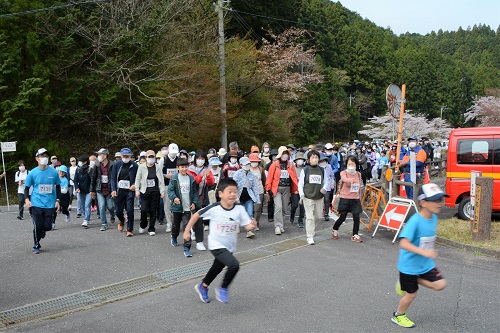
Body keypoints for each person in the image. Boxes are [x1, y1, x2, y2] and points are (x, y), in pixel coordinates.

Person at [186, 178, 257, 303]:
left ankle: (203, 287)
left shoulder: (239, 209)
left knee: (217, 268)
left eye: (235, 191)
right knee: (234, 265)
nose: (233, 194)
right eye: (229, 191)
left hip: (229, 247)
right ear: (220, 194)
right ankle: (223, 289)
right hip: (216, 245)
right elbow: (197, 214)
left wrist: (252, 225)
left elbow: (247, 226)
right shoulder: (214, 208)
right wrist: (187, 231)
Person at [391, 183, 448, 328]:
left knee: (441, 284)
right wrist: (425, 252)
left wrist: (427, 252)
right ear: (423, 202)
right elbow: (403, 243)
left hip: (425, 264)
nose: (440, 203)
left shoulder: (434, 218)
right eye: (435, 200)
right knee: (411, 295)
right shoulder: (415, 221)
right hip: (409, 266)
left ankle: (412, 281)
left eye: (441, 199)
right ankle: (398, 316)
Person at [24, 148, 61, 254]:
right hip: (36, 203)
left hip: (50, 203)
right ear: (37, 158)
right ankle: (36, 245)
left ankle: (43, 230)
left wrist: (57, 200)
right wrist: (27, 200)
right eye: (42, 156)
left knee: (48, 226)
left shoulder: (53, 172)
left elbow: (58, 186)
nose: (44, 158)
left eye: (46, 156)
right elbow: (26, 188)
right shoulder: (32, 173)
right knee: (37, 225)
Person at [168, 158, 199, 257]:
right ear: (177, 168)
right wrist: (174, 198)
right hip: (177, 207)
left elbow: (194, 192)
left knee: (187, 228)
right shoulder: (174, 178)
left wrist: (194, 202)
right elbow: (170, 191)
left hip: (187, 208)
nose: (184, 169)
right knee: (175, 226)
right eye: (182, 167)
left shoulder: (191, 178)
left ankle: (186, 248)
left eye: (186, 167)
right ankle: (174, 237)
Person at [265, 146, 298, 235]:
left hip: (287, 189)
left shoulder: (291, 165)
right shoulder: (274, 165)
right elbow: (269, 178)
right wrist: (268, 190)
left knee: (284, 208)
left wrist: (295, 189)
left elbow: (294, 178)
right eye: (283, 153)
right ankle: (278, 226)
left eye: (286, 154)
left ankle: (281, 224)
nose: (285, 155)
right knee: (278, 207)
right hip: (277, 189)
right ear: (280, 155)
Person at [298, 151, 329, 245]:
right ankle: (310, 236)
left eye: (316, 157)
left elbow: (326, 181)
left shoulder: (322, 170)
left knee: (319, 216)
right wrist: (301, 194)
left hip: (319, 197)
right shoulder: (305, 170)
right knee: (310, 217)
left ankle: (311, 229)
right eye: (312, 157)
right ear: (308, 159)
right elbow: (301, 184)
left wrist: (324, 188)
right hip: (308, 196)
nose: (315, 159)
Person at [331, 155, 364, 243]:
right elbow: (344, 179)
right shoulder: (343, 173)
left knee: (356, 217)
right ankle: (335, 228)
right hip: (345, 198)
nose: (351, 166)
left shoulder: (358, 174)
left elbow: (359, 186)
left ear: (356, 165)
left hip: (355, 198)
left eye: (353, 164)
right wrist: (350, 180)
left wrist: (360, 197)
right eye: (349, 164)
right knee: (342, 217)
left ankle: (355, 234)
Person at [188, 150, 215, 250]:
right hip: (189, 197)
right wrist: (200, 175)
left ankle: (199, 242)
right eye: (199, 159)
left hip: (201, 197)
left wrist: (207, 176)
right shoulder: (189, 169)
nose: (200, 161)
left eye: (202, 159)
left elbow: (211, 183)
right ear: (195, 159)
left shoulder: (207, 169)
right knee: (186, 218)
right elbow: (192, 182)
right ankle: (185, 234)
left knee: (199, 219)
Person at [135, 150, 165, 236]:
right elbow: (137, 179)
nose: (151, 158)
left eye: (152, 157)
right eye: (149, 157)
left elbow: (161, 181)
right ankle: (143, 224)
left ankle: (151, 228)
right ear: (146, 157)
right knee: (144, 209)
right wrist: (137, 191)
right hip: (145, 191)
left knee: (153, 210)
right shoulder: (141, 167)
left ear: (155, 158)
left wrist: (162, 191)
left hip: (155, 191)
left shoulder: (158, 167)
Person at [110, 148, 139, 237]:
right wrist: (113, 189)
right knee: (118, 211)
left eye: (127, 156)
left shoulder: (135, 165)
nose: (125, 158)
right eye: (124, 156)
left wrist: (134, 184)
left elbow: (138, 178)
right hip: (119, 190)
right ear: (121, 156)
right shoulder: (116, 164)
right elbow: (113, 178)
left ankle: (130, 229)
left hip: (130, 190)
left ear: (130, 156)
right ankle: (121, 220)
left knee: (130, 210)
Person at [233, 156, 260, 238]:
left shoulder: (251, 174)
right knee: (237, 213)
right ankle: (236, 226)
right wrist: (236, 198)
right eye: (245, 164)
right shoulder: (237, 174)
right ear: (241, 165)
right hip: (239, 196)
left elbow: (255, 187)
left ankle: (249, 231)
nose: (247, 165)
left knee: (250, 213)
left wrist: (257, 198)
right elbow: (233, 186)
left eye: (248, 164)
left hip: (249, 196)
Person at [92, 148, 115, 231]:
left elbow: (114, 178)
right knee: (101, 206)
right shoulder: (97, 165)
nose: (98, 156)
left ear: (105, 155)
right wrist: (92, 190)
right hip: (100, 189)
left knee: (110, 206)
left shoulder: (112, 164)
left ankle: (112, 215)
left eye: (99, 154)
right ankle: (104, 224)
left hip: (109, 189)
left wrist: (114, 189)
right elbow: (93, 178)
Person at [161, 143, 179, 233]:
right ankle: (169, 223)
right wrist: (165, 176)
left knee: (177, 205)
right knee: (167, 206)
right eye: (172, 152)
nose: (173, 154)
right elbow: (158, 173)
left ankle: (176, 223)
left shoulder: (179, 160)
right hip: (167, 185)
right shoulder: (163, 160)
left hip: (177, 186)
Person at [74, 155, 93, 228]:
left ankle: (85, 220)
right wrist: (76, 187)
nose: (79, 162)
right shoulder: (78, 169)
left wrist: (92, 190)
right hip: (81, 190)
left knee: (87, 205)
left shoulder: (89, 169)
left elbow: (92, 180)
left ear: (85, 162)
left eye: (81, 161)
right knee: (83, 206)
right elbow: (75, 180)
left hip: (89, 191)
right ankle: (86, 217)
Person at [248, 153, 266, 230]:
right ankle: (249, 223)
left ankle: (256, 224)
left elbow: (264, 180)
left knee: (257, 209)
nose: (254, 163)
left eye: (256, 161)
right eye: (252, 161)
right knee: (249, 208)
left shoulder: (261, 169)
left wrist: (266, 191)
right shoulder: (247, 169)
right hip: (249, 191)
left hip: (259, 191)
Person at [290, 152, 305, 227]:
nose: (300, 161)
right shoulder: (293, 169)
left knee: (302, 206)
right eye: (298, 159)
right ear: (295, 160)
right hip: (295, 190)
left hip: (303, 191)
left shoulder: (305, 169)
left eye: (301, 159)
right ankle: (292, 215)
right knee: (295, 205)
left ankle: (300, 220)